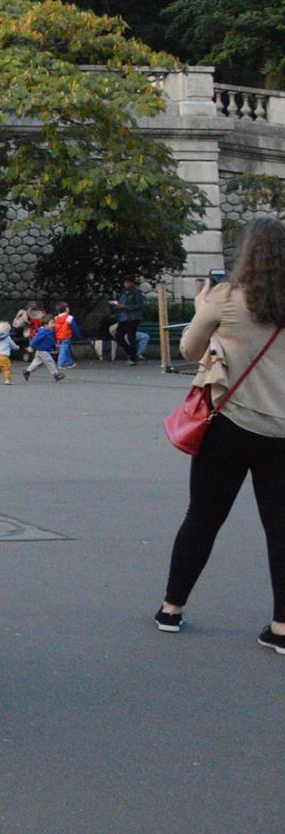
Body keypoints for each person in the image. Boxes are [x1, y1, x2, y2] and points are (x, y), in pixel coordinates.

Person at [158, 214, 285, 653]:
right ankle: (282, 626)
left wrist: (201, 313)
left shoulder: (226, 299)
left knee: (204, 517)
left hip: (228, 424)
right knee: (280, 528)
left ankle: (171, 609)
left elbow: (189, 349)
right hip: (282, 431)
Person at [116, 278, 147, 365]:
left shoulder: (136, 292)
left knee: (131, 337)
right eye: (125, 282)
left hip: (133, 318)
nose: (125, 284)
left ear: (131, 283)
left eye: (127, 282)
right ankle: (131, 353)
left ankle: (133, 357)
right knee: (118, 336)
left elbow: (139, 305)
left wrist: (125, 307)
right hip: (123, 317)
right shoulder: (123, 292)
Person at [53, 301, 76, 371]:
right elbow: (75, 327)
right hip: (66, 335)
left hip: (59, 336)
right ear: (66, 309)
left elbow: (54, 328)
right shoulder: (69, 317)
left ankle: (70, 362)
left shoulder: (56, 318)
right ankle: (60, 363)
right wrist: (78, 336)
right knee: (64, 349)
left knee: (67, 349)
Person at [0, 320, 16, 385]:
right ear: (7, 331)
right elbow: (13, 345)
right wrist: (17, 347)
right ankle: (7, 380)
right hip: (4, 356)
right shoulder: (8, 338)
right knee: (7, 369)